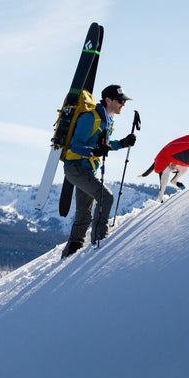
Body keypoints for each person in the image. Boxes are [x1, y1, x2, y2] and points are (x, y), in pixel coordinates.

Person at [61, 84, 136, 258]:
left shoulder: (107, 120)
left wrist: (122, 143)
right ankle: (100, 240)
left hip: (87, 169)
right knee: (106, 196)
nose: (123, 104)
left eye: (124, 101)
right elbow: (76, 145)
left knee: (84, 214)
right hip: (75, 167)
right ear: (108, 100)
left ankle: (71, 250)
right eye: (120, 101)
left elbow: (103, 146)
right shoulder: (91, 118)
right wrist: (93, 152)